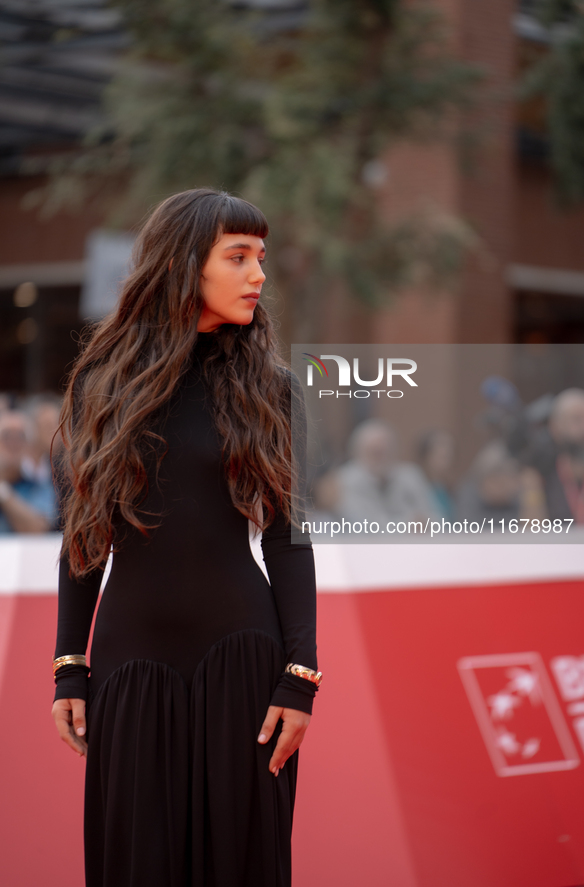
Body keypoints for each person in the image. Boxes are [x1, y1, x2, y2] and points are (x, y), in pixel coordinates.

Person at [50, 188, 321, 887]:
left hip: (245, 664)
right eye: (238, 256)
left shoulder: (272, 387)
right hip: (130, 668)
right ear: (182, 264)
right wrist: (67, 665)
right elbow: (84, 538)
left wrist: (300, 678)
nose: (257, 273)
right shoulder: (101, 386)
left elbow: (290, 537)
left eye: (260, 256)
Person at [0, 408, 57, 533]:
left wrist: (3, 490)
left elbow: (38, 529)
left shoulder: (39, 485)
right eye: (7, 436)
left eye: (20, 436)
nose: (13, 443)